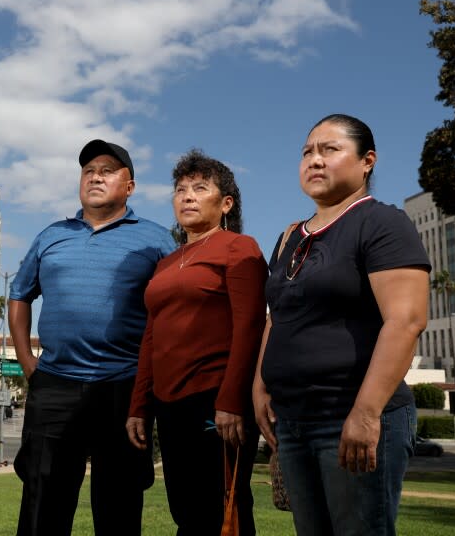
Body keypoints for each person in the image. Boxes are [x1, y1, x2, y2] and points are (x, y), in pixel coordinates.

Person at [252, 114, 430, 535]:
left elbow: (405, 321)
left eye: (329, 150)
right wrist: (260, 384)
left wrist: (366, 413)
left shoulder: (381, 223)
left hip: (351, 416)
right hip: (293, 420)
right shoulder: (289, 237)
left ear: (367, 160)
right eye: (307, 153)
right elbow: (277, 315)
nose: (314, 160)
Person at [9, 139, 176, 536]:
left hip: (123, 387)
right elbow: (19, 295)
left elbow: (173, 307)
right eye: (88, 171)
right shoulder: (51, 235)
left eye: (107, 170)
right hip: (54, 385)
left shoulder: (155, 239)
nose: (95, 177)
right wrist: (29, 363)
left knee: (118, 505)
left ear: (129, 186)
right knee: (42, 500)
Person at [126, 150, 267, 535]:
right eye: (180, 189)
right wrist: (139, 406)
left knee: (224, 509)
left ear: (225, 204)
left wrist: (231, 400)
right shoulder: (167, 264)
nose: (187, 196)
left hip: (216, 401)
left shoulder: (240, 248)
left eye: (199, 188)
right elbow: (151, 337)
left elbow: (250, 326)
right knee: (186, 513)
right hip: (169, 405)